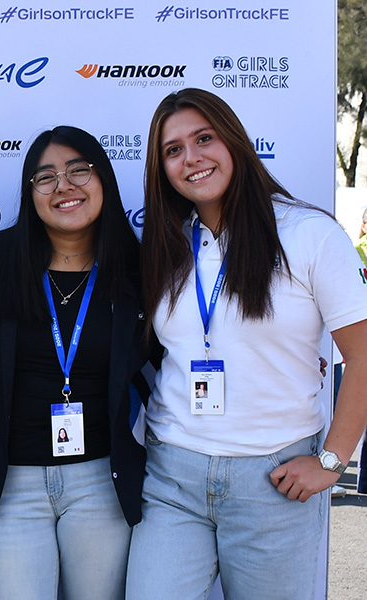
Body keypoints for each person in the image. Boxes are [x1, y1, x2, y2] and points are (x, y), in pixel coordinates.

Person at [126, 88, 367, 599]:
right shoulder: (167, 244)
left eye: (204, 138)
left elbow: (363, 355)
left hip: (275, 481)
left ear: (233, 141)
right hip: (174, 477)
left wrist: (331, 461)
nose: (191, 158)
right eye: (173, 150)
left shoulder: (308, 234)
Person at [0, 126, 155, 600]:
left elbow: (172, 358)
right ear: (30, 193)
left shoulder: (136, 269)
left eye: (78, 171)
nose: (63, 187)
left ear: (104, 179)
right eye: (45, 177)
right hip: (13, 484)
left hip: (102, 480)